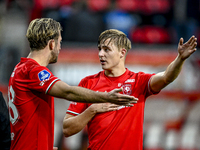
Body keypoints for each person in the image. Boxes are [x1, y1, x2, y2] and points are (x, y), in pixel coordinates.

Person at [7, 18, 137, 150]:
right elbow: (67, 91)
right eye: (59, 42)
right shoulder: (34, 71)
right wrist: (107, 97)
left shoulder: (20, 68)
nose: (60, 47)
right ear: (52, 44)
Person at [63, 29, 197, 150]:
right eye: (99, 49)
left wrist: (180, 59)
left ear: (122, 52)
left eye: (106, 49)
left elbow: (167, 77)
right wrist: (92, 110)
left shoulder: (139, 81)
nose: (101, 54)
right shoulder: (88, 83)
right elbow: (67, 129)